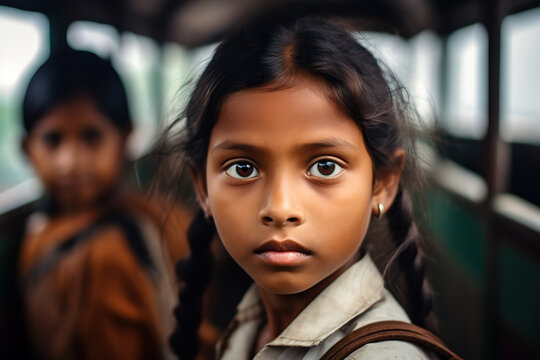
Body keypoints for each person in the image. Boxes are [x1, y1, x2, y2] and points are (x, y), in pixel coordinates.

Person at [160, 17, 460, 360]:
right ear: (202, 189)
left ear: (382, 183)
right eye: (243, 169)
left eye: (325, 167)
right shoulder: (253, 322)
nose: (280, 208)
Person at [7, 48, 191, 360]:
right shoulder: (165, 216)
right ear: (27, 149)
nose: (71, 162)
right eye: (53, 140)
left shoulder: (107, 256)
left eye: (91, 137)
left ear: (125, 137)